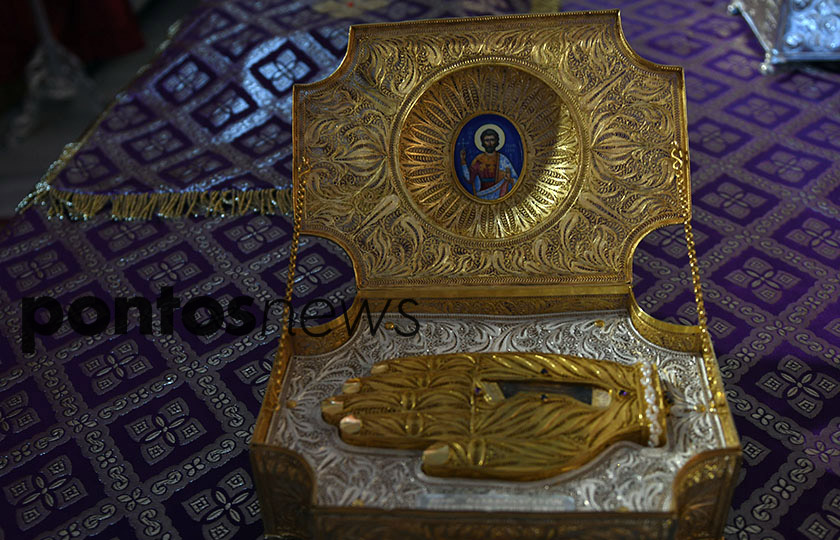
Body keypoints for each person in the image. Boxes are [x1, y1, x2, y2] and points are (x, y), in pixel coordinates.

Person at [460, 128, 518, 200]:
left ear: (496, 141)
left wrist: (509, 179)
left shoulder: (503, 159)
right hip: (482, 196)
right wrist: (463, 161)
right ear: (482, 142)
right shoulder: (478, 160)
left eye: (492, 140)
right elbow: (469, 178)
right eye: (487, 140)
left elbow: (515, 180)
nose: (490, 143)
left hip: (500, 195)